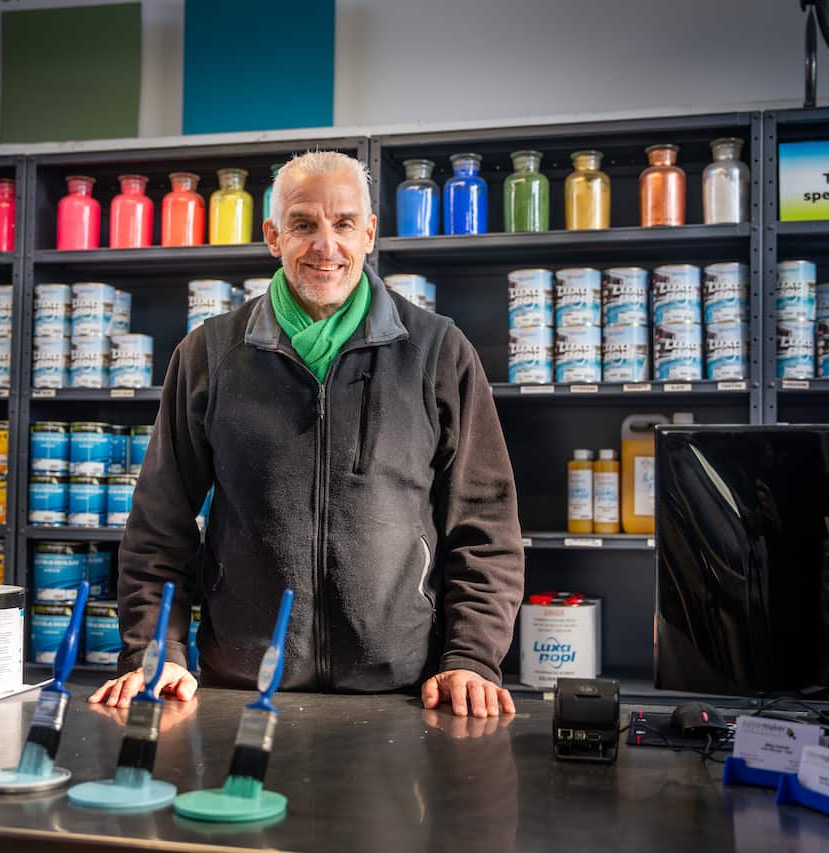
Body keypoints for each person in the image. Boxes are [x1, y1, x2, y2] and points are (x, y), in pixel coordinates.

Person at [89, 151, 522, 717]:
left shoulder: (438, 351)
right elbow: (157, 527)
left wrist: (471, 658)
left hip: (402, 693)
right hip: (239, 689)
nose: (325, 246)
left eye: (343, 224)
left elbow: (485, 526)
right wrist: (157, 652)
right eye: (303, 224)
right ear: (273, 236)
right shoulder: (209, 354)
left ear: (368, 234)